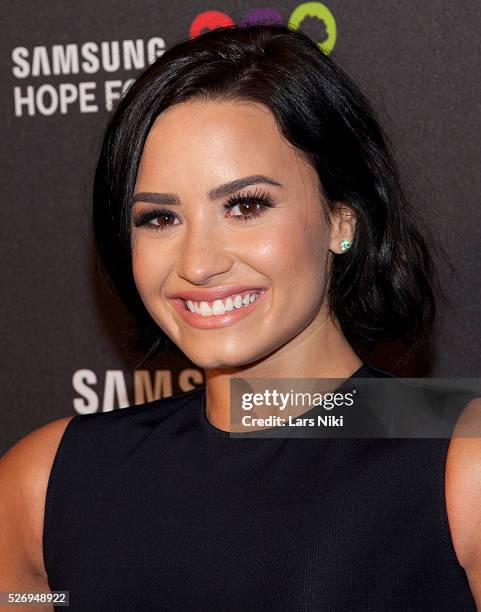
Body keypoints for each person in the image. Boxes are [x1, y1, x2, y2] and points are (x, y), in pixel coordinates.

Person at [0, 24, 480, 611]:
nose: (198, 264)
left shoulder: (461, 462)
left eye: (246, 206)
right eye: (159, 218)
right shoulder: (43, 487)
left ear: (341, 219)